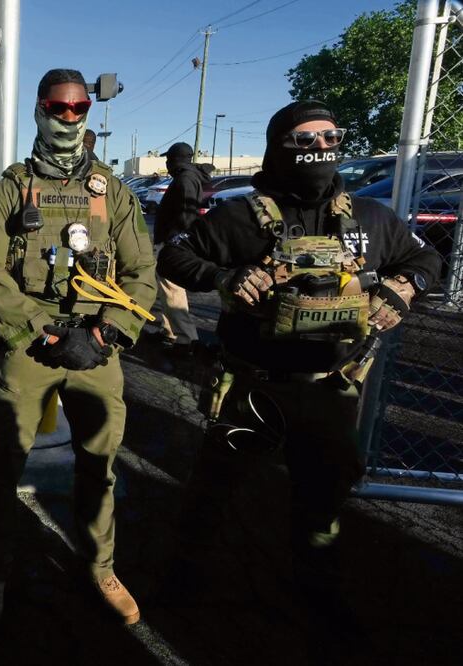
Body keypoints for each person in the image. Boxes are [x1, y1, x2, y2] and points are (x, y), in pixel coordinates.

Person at [158, 101, 440, 619]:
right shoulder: (238, 216)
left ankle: (319, 591)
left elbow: (426, 258)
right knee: (212, 493)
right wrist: (226, 277)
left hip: (332, 389)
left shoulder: (372, 218)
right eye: (304, 141)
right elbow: (175, 254)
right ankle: (185, 582)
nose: (321, 150)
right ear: (277, 145)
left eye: (331, 139)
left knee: (322, 501)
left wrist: (403, 287)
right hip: (252, 389)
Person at [0, 68, 157, 625]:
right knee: (3, 466)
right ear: (39, 109)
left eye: (78, 109)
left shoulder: (113, 192)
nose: (69, 118)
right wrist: (41, 330)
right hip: (31, 347)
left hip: (97, 350)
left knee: (98, 465)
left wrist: (105, 332)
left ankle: (101, 568)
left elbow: (142, 269)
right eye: (58, 107)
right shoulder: (9, 189)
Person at [152, 141, 205, 354]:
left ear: (175, 160)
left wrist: (176, 242)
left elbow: (186, 215)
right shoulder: (186, 177)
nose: (166, 163)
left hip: (174, 244)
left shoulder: (185, 179)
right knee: (167, 290)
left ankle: (186, 339)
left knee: (173, 290)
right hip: (172, 241)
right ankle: (170, 331)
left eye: (168, 159)